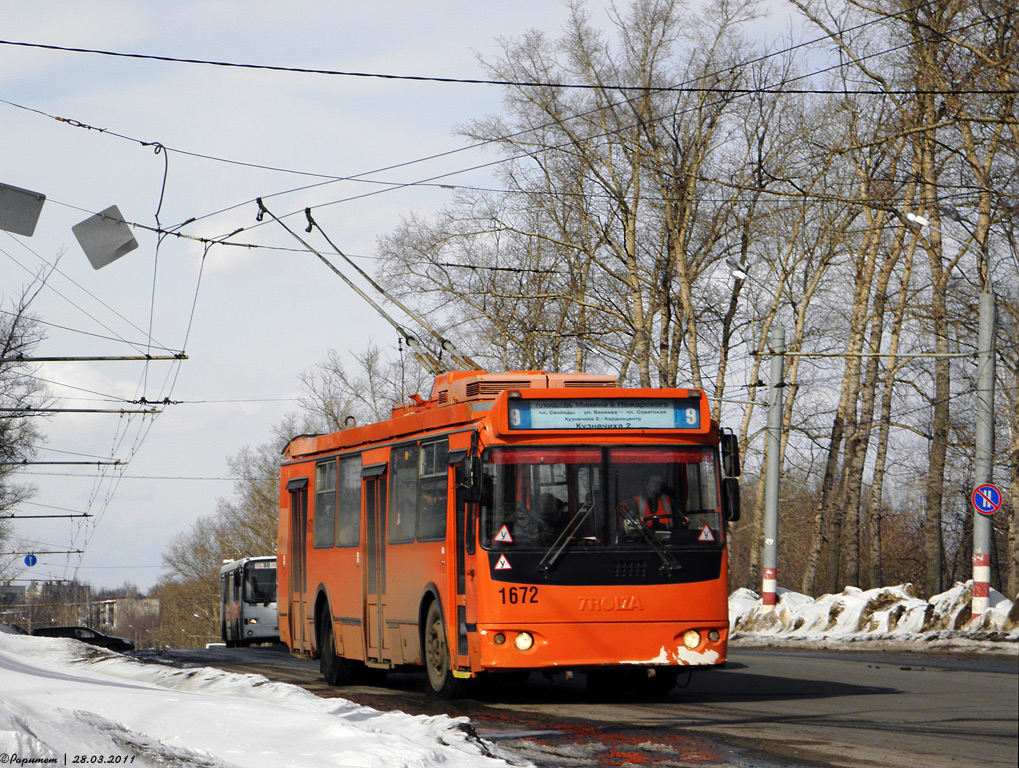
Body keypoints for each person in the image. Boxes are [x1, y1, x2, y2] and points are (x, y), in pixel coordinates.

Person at [620, 473, 687, 531]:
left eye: (659, 482)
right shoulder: (635, 503)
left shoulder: (668, 500)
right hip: (644, 542)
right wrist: (638, 523)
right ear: (646, 484)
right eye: (654, 482)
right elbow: (629, 525)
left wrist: (683, 520)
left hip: (668, 541)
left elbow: (679, 518)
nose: (657, 485)